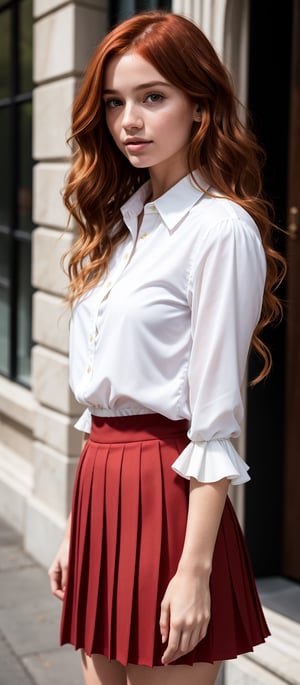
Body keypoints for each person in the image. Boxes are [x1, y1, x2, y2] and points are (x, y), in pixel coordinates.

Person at [48, 10, 286, 685]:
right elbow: (102, 408)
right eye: (117, 102)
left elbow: (214, 419)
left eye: (153, 97)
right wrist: (75, 528)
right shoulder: (122, 230)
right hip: (101, 488)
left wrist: (194, 569)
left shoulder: (219, 230)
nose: (130, 120)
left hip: (168, 496)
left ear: (199, 104)